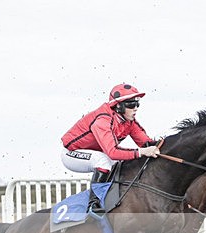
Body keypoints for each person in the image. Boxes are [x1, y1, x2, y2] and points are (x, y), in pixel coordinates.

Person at [61, 83, 161, 212]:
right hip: (71, 153)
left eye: (137, 104)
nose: (135, 108)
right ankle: (94, 203)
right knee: (103, 160)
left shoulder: (129, 121)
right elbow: (113, 152)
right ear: (118, 106)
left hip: (96, 152)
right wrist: (142, 152)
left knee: (123, 163)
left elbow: (147, 144)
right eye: (131, 104)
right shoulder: (103, 120)